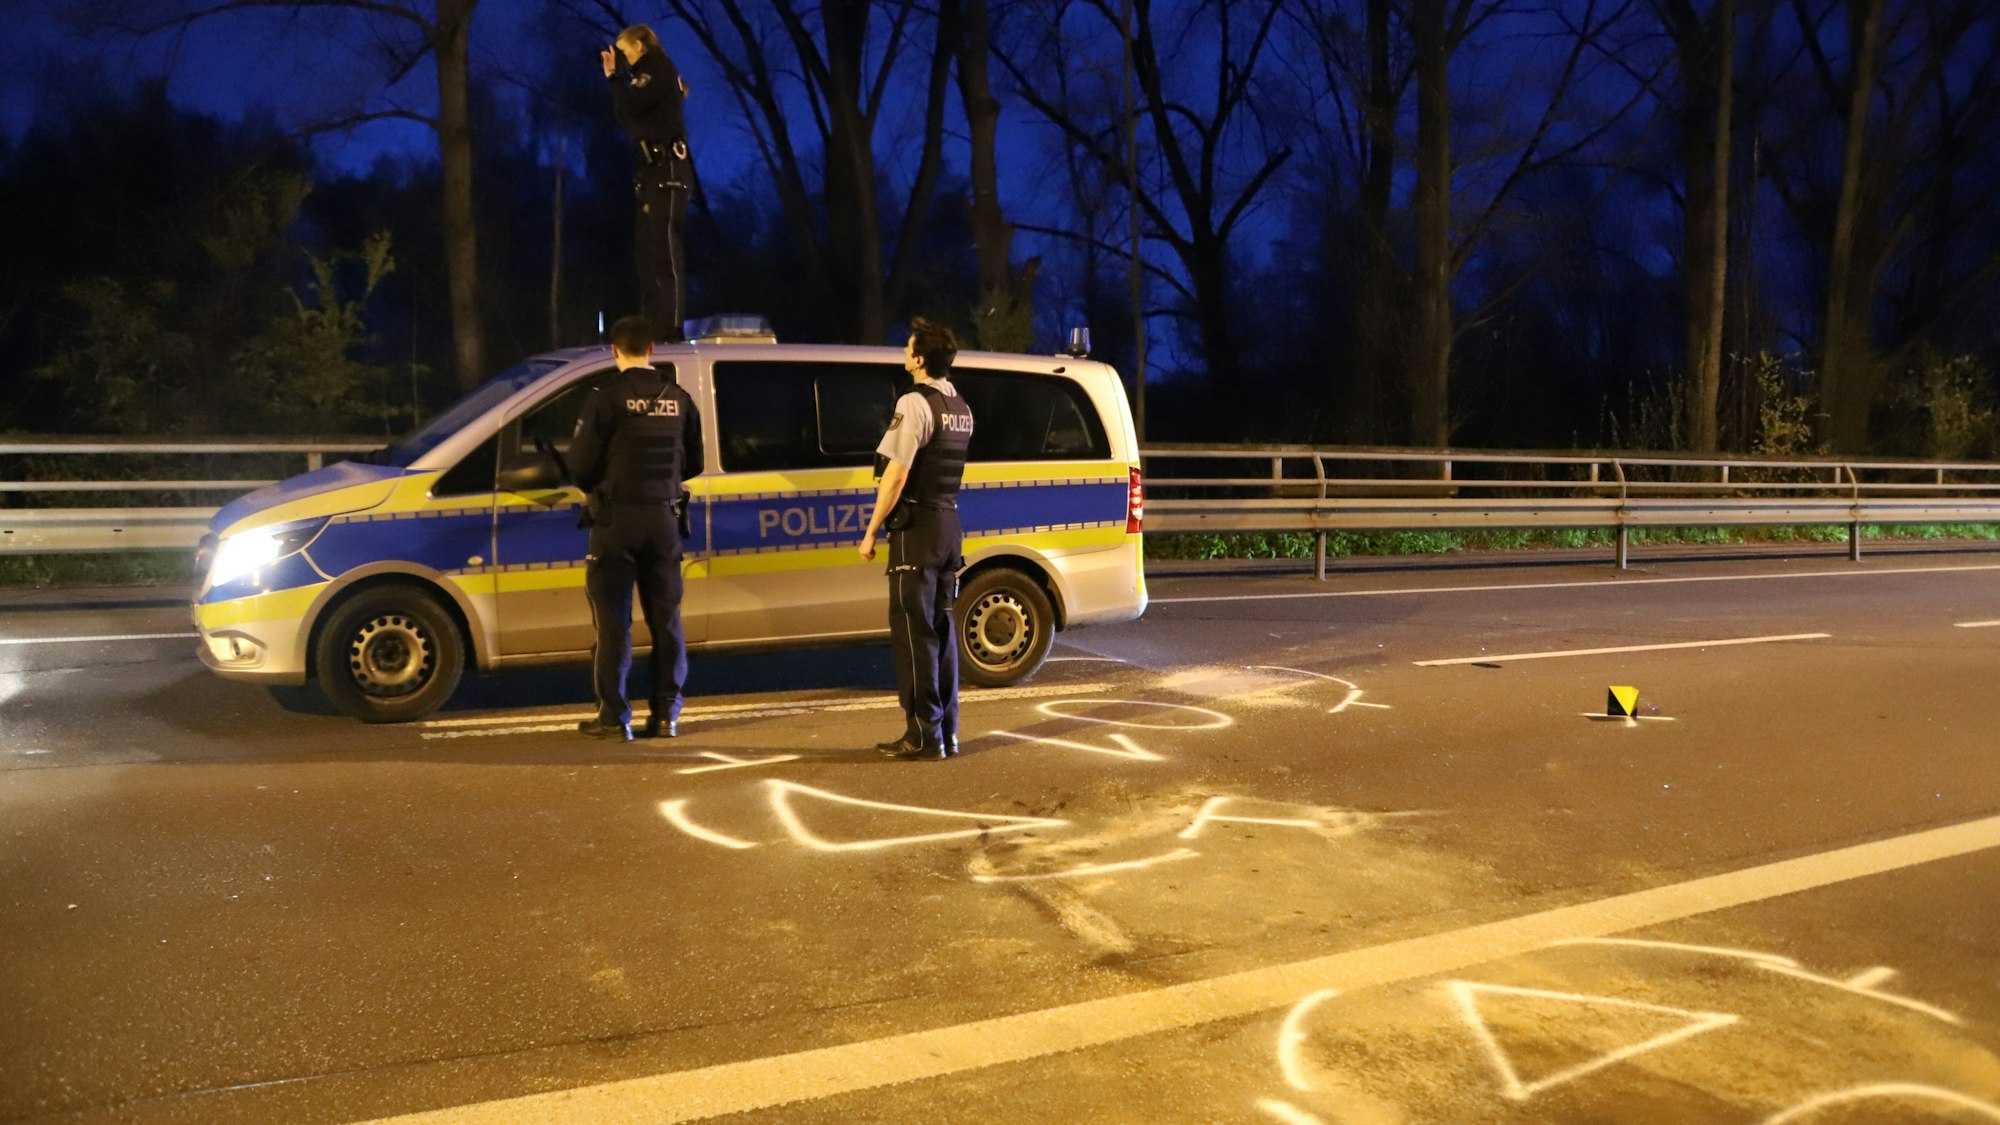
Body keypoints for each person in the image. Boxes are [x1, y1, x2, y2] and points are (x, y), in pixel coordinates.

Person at [569, 315, 704, 741]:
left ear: (615, 351)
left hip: (616, 522)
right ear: (651, 350)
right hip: (664, 521)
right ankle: (666, 716)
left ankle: (615, 718)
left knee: (613, 623)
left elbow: (580, 466)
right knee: (666, 620)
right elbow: (694, 463)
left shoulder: (606, 400)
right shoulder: (679, 398)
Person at [859, 318, 976, 760]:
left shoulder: (913, 402)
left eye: (908, 348)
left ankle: (923, 733)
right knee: (942, 632)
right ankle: (948, 731)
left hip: (916, 531)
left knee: (914, 634)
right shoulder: (962, 406)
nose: (904, 354)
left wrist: (872, 530)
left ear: (920, 359)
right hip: (949, 528)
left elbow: (898, 472)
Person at [602, 24, 691, 341]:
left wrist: (615, 79)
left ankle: (671, 328)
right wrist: (616, 79)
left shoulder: (657, 67)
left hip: (668, 170)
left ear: (640, 43)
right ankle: (653, 325)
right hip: (652, 173)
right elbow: (625, 113)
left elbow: (630, 105)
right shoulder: (645, 76)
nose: (624, 57)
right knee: (647, 255)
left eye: (625, 50)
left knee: (664, 252)